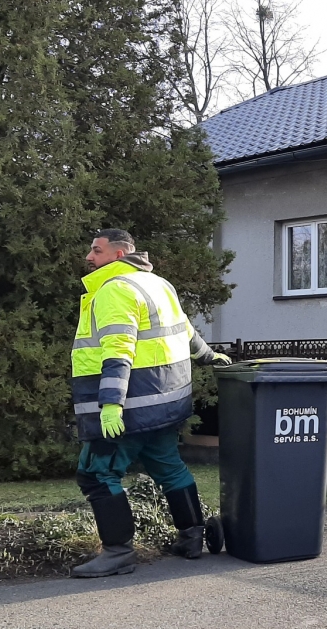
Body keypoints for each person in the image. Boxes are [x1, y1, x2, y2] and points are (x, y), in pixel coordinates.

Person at [69, 229, 230, 578]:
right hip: (164, 402)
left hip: (129, 406)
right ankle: (192, 536)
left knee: (96, 473)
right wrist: (209, 356)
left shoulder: (116, 289)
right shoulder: (158, 284)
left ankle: (118, 553)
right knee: (169, 466)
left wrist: (110, 403)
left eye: (96, 251)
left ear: (118, 254)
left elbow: (118, 349)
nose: (89, 257)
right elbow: (184, 329)